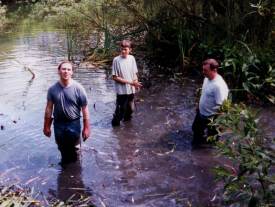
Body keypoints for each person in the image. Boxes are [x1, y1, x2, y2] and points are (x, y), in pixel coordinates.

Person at [43, 61, 90, 165]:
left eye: (68, 69)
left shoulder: (79, 88)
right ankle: (65, 170)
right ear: (59, 71)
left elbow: (85, 109)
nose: (66, 71)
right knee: (62, 148)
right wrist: (46, 126)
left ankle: (75, 171)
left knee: (75, 151)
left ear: (72, 72)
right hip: (58, 124)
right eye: (63, 69)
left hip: (74, 123)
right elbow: (49, 108)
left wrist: (86, 128)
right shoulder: (52, 89)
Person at [192, 58, 229, 146]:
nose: (203, 72)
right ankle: (198, 146)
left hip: (212, 118)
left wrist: (219, 124)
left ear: (214, 70)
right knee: (195, 129)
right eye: (203, 69)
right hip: (201, 113)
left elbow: (222, 106)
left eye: (205, 70)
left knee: (212, 140)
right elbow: (204, 93)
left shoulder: (218, 86)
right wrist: (198, 106)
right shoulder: (206, 78)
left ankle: (207, 156)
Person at [111, 40, 142, 127]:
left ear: (130, 50)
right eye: (122, 49)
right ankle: (115, 127)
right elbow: (115, 77)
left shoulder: (132, 58)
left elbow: (134, 73)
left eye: (125, 49)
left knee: (130, 110)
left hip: (131, 90)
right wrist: (130, 82)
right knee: (120, 111)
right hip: (121, 91)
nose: (123, 51)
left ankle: (127, 129)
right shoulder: (116, 60)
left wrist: (135, 83)